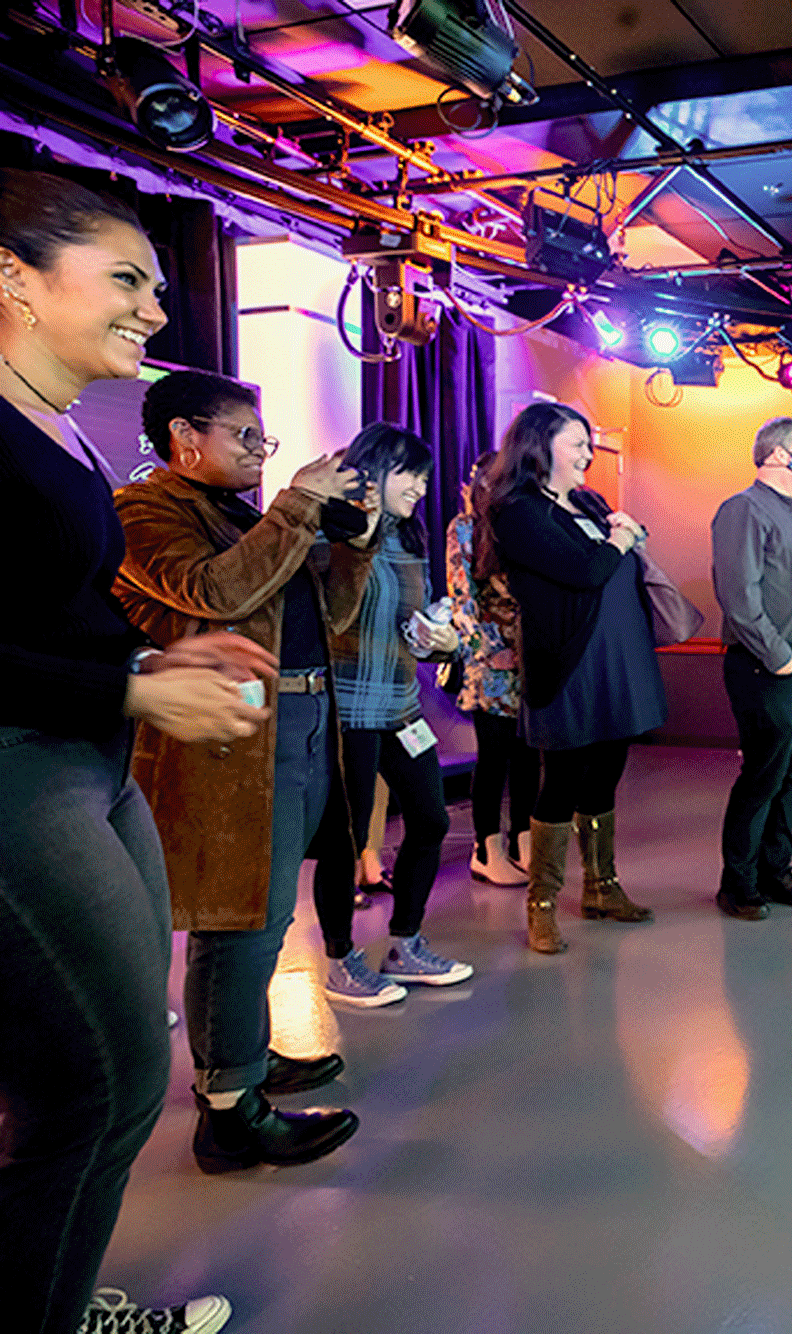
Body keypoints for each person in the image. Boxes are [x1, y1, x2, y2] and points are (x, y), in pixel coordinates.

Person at [0, 168, 258, 1334]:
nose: (154, 310)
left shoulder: (54, 423)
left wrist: (161, 661)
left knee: (99, 1081)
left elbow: (41, 607)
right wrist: (134, 682)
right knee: (97, 1086)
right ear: (15, 279)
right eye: (125, 281)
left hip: (86, 757)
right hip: (19, 769)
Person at [116, 367, 367, 1174]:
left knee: (263, 912)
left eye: (266, 438)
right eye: (246, 435)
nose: (261, 451)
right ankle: (229, 1112)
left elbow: (329, 617)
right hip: (228, 736)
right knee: (238, 918)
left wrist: (350, 544)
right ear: (186, 438)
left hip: (291, 720)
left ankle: (244, 1061)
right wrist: (295, 507)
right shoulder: (144, 510)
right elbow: (213, 594)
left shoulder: (239, 515)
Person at [479, 401, 663, 952]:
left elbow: (623, 551)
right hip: (570, 660)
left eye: (587, 442)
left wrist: (631, 534)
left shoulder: (586, 501)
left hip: (621, 657)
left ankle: (602, 887)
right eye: (577, 442)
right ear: (540, 447)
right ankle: (542, 904)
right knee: (561, 778)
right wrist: (619, 540)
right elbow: (586, 570)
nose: (588, 452)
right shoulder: (518, 510)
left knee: (607, 771)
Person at [309, 423, 472, 1003]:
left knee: (430, 821)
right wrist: (361, 532)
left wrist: (440, 638)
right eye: (411, 475)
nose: (422, 488)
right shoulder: (331, 531)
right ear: (372, 470)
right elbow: (328, 617)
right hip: (347, 710)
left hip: (403, 707)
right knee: (344, 840)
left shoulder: (411, 537)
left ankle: (405, 943)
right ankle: (340, 959)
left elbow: (412, 622)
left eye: (426, 478)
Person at [711, 415, 792, 919]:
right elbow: (739, 596)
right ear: (780, 454)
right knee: (763, 775)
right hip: (771, 667)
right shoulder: (743, 509)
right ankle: (738, 882)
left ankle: (775, 869)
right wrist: (778, 655)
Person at [446, 456, 536, 887]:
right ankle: (486, 847)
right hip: (491, 663)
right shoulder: (464, 528)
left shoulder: (518, 527)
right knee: (494, 756)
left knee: (527, 754)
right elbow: (461, 599)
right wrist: (488, 650)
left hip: (528, 658)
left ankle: (524, 839)